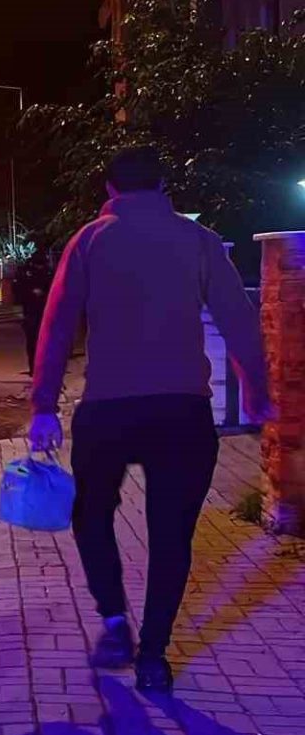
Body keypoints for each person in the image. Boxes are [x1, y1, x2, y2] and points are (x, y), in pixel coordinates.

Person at [28, 146, 271, 695]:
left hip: (108, 408)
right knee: (171, 534)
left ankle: (115, 621)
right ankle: (154, 656)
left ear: (109, 189)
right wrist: (256, 390)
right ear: (163, 187)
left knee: (92, 514)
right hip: (182, 411)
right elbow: (239, 319)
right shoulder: (199, 240)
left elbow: (57, 325)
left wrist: (43, 406)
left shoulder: (89, 241)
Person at [13, 245, 53, 375]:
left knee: (42, 340)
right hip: (32, 310)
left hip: (42, 310)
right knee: (33, 340)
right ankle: (35, 367)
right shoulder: (27, 272)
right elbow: (18, 289)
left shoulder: (47, 272)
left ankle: (41, 367)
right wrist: (31, 292)